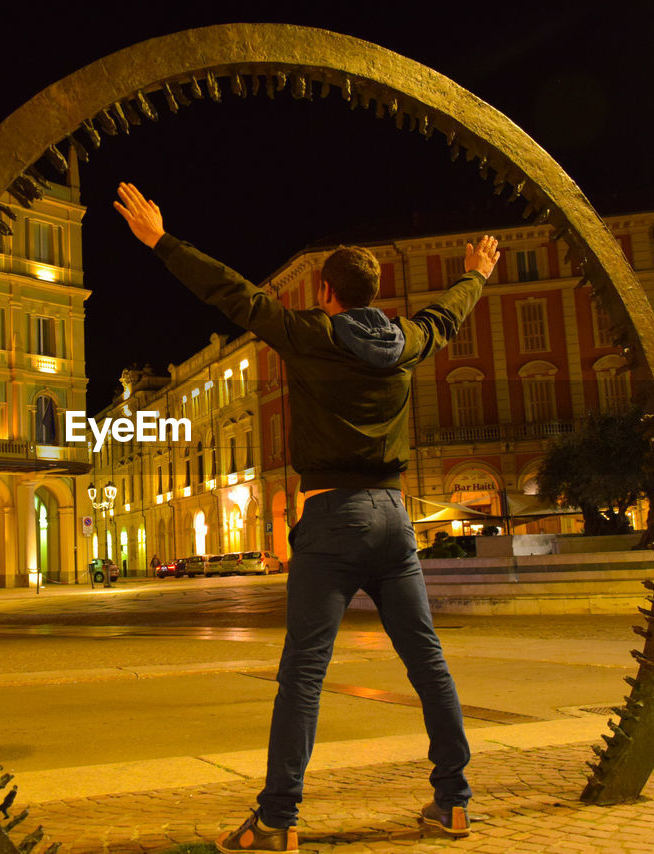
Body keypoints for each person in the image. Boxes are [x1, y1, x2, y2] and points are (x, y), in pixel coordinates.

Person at [114, 183, 498, 851]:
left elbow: (230, 292)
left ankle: (278, 820)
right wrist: (477, 273)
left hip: (330, 522)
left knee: (304, 674)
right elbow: (449, 316)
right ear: (373, 293)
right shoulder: (408, 340)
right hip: (394, 519)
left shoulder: (308, 334)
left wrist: (161, 241)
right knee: (428, 663)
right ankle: (455, 802)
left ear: (325, 292)